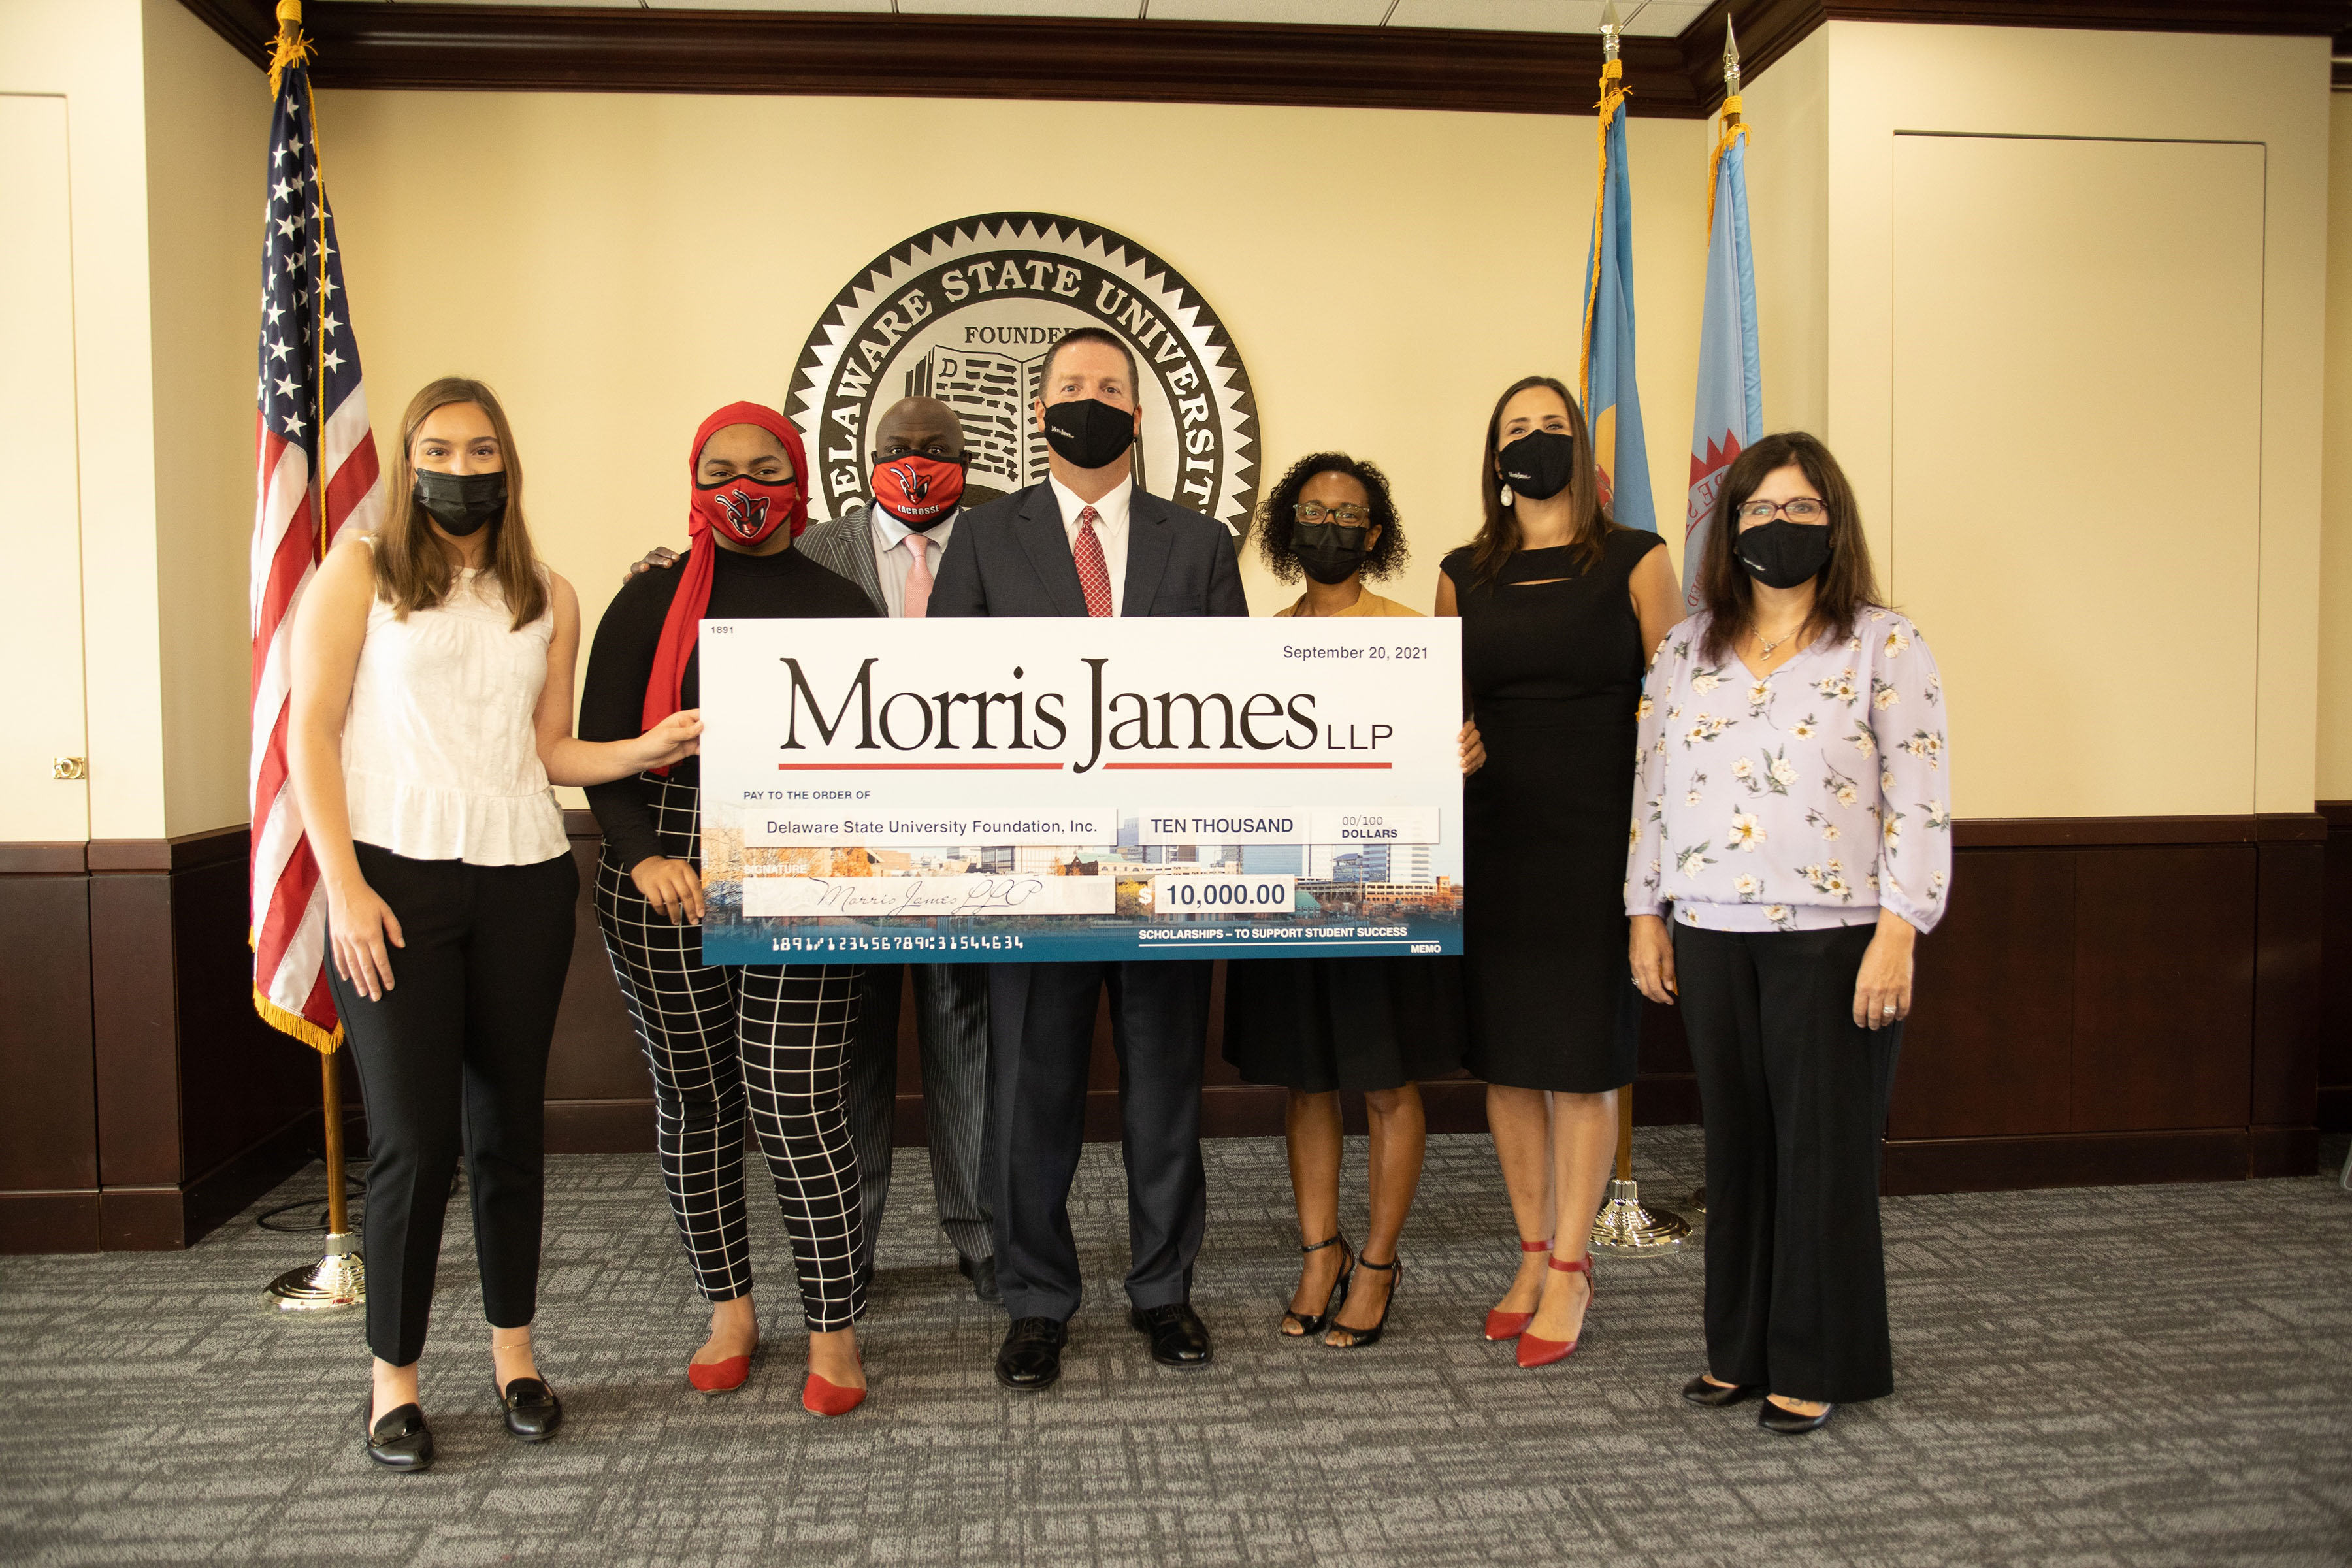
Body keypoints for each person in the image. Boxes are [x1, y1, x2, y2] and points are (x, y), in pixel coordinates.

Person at [289, 377, 702, 1472]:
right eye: (438, 448)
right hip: (391, 883)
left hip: (523, 879)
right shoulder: (361, 572)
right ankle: (395, 1382)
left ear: (507, 466)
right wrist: (344, 886)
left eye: (481, 452)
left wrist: (649, 746)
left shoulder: (550, 595)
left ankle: (516, 1356)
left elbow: (551, 751)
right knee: (415, 1147)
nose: (460, 469)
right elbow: (312, 739)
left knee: (508, 1134)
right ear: (408, 460)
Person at [927, 325, 1248, 1392]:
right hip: (1030, 865)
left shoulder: (1198, 543)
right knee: (1030, 1091)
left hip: (1164, 865)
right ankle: (1036, 1302)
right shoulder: (982, 537)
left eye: (1111, 386)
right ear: (1039, 410)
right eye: (1071, 386)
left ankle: (1165, 1292)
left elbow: (1240, 707)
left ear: (1140, 412)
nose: (1091, 399)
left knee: (1165, 1088)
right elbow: (944, 702)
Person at [1627, 431, 1950, 1435]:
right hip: (1712, 929)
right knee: (1739, 1150)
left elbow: (1921, 802)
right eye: (1759, 509)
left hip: (1838, 938)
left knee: (1823, 1152)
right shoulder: (1686, 650)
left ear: (1833, 521)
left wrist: (1900, 930)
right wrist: (1646, 911)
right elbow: (1655, 791)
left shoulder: (1883, 644)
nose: (1778, 525)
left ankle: (1816, 1357)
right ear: (1730, 529)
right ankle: (1741, 1348)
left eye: (1800, 508)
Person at [578, 401, 881, 1418]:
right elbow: (604, 752)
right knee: (697, 1100)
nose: (740, 485)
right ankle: (732, 1310)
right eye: (719, 467)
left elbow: (877, 760)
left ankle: (834, 1332)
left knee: (795, 1098)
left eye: (763, 466)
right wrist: (645, 855)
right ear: (693, 481)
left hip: (805, 860)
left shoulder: (844, 605)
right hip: (661, 866)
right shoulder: (647, 601)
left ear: (798, 481)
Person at [1437, 375, 1682, 1369]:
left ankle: (1575, 1268)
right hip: (1494, 838)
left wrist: (1658, 874)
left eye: (1552, 426)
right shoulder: (1462, 572)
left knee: (1579, 1062)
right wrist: (1442, 747)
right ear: (1493, 458)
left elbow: (1678, 717)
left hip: (1598, 838)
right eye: (1514, 430)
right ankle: (1533, 1252)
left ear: (1581, 446)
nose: (1533, 441)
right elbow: (1431, 707)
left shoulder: (1639, 558)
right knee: (1507, 1062)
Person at [1222, 451, 1477, 1349]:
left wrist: (1464, 755)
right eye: (1314, 511)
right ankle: (1318, 1251)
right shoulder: (1257, 644)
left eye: (1349, 513)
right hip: (1288, 890)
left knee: (1385, 1078)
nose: (1330, 524)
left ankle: (1377, 1261)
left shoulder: (1416, 640)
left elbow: (1450, 761)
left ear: (1375, 533)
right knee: (1307, 1080)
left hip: (1387, 890)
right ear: (1290, 527)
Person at [796, 397, 997, 1304]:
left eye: (938, 451)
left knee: (964, 1030)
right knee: (855, 1044)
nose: (917, 464)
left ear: (968, 456)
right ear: (866, 458)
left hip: (972, 836)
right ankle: (852, 1243)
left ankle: (981, 1234)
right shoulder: (811, 553)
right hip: (843, 841)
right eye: (898, 450)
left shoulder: (1002, 544)